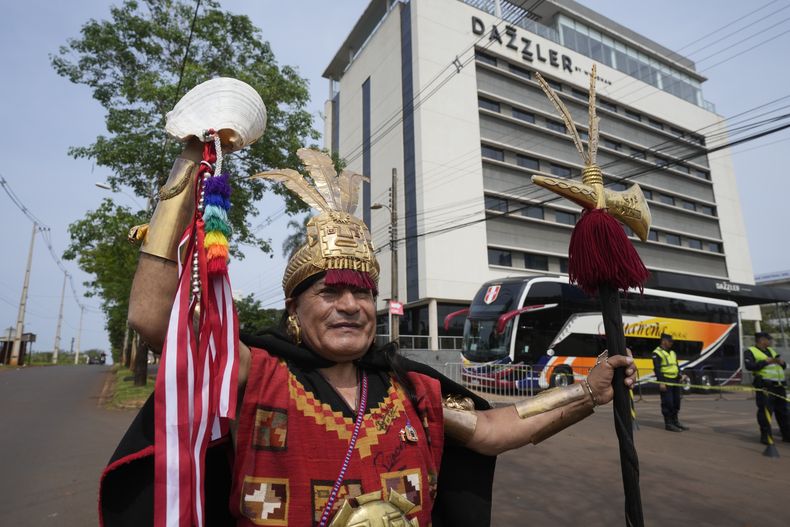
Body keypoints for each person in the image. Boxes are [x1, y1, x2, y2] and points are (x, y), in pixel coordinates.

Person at [99, 139, 637, 526]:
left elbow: (493, 430)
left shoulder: (411, 390)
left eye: (362, 295)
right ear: (295, 309)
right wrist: (191, 161)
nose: (350, 306)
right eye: (329, 293)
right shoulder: (254, 376)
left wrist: (587, 393)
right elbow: (154, 319)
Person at [744, 332, 789, 444]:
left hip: (779, 386)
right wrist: (765, 362)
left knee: (783, 412)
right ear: (762, 340)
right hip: (765, 387)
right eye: (769, 340)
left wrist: (782, 363)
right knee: (765, 412)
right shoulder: (750, 351)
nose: (771, 342)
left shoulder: (772, 351)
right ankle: (766, 437)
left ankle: (787, 435)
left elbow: (782, 366)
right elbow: (750, 366)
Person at [653, 333, 687, 432]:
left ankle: (675, 422)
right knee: (668, 403)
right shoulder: (657, 353)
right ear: (664, 341)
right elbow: (657, 369)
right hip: (666, 380)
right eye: (670, 341)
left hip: (675, 381)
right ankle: (668, 423)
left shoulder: (672, 352)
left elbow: (676, 366)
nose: (672, 343)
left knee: (677, 402)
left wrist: (680, 375)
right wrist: (661, 382)